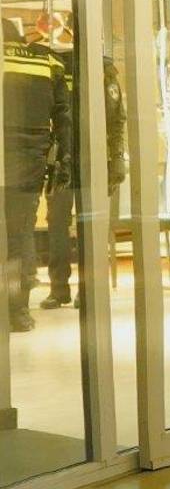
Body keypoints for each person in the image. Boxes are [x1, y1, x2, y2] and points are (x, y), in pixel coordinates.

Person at [42, 18, 129, 310]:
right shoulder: (55, 64)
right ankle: (58, 288)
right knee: (56, 224)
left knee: (90, 226)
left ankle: (88, 288)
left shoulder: (103, 70)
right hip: (61, 159)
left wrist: (117, 158)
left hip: (94, 158)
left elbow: (117, 118)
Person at [2, 16, 70, 332]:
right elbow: (64, 118)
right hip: (30, 161)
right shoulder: (48, 60)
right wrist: (63, 162)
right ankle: (18, 311)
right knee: (21, 235)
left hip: (15, 153)